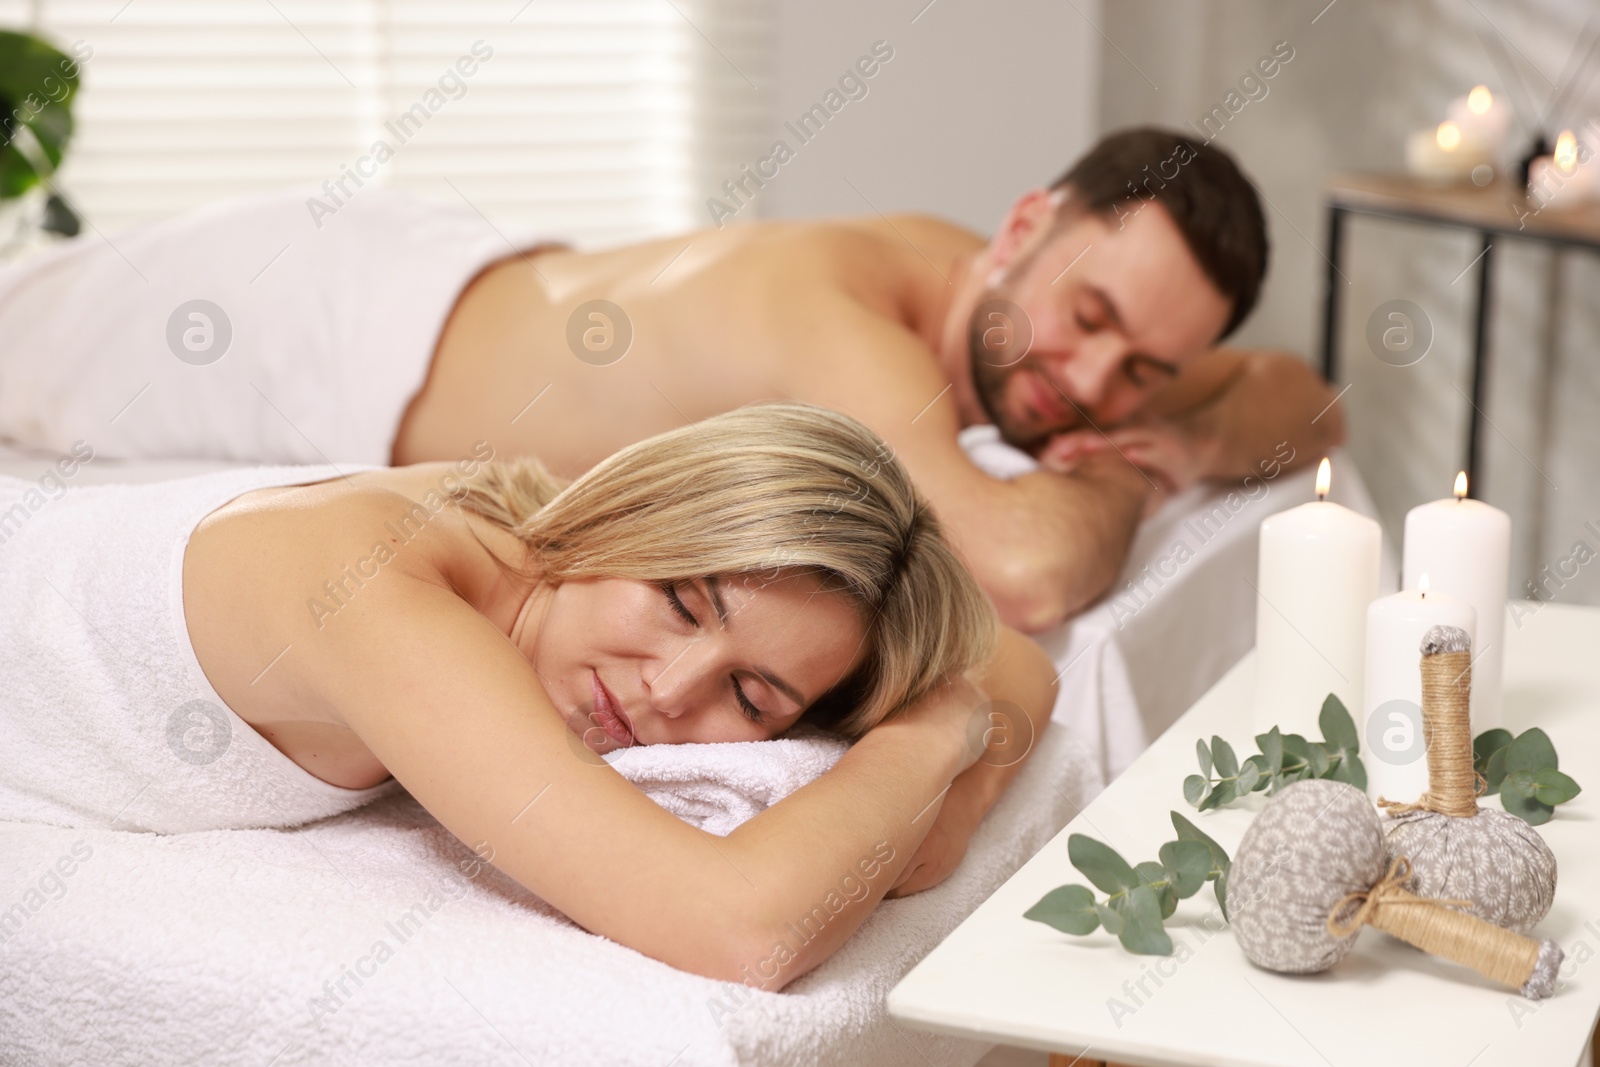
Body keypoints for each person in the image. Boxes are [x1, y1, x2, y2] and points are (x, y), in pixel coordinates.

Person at [0, 126, 1342, 633]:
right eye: (1089, 317)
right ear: (1018, 228)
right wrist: (1133, 463)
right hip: (320, 320)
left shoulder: (1025, 327)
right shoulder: (849, 325)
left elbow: (1307, 398)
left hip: (471, 272)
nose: (1090, 380)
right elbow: (1026, 570)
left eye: (1145, 366)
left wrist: (1184, 413)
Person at [0, 403, 1058, 989]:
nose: (665, 694)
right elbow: (744, 930)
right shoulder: (376, 588)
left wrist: (940, 794)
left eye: (750, 693)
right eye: (682, 604)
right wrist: (938, 742)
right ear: (632, 515)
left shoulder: (549, 554)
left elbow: (1024, 663)